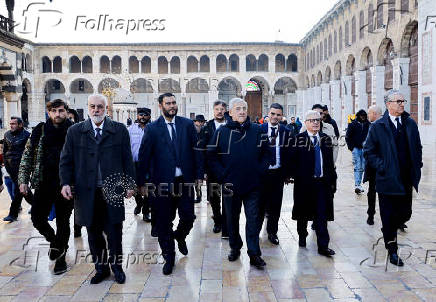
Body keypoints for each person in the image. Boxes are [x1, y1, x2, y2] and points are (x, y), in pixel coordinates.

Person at [60, 94, 135, 284]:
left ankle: (117, 268)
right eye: (92, 106)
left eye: (100, 107)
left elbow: (128, 160)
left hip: (112, 190)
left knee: (114, 232)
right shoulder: (75, 131)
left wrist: (130, 184)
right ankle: (101, 269)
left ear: (106, 109)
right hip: (86, 191)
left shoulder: (119, 130)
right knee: (93, 233)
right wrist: (65, 183)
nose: (96, 110)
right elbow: (66, 160)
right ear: (87, 108)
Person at [137, 93, 203, 275]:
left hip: (185, 181)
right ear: (160, 106)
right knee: (164, 221)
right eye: (168, 103)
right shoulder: (152, 128)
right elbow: (144, 156)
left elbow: (197, 151)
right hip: (162, 183)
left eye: (174, 103)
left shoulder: (187, 125)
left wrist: (199, 175)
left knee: (189, 217)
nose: (172, 106)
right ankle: (169, 256)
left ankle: (180, 235)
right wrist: (141, 182)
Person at [207, 98, 270, 269]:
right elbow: (211, 156)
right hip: (230, 185)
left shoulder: (257, 130)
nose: (242, 111)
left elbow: (267, 153)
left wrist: (260, 170)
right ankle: (235, 247)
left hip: (253, 185)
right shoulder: (221, 132)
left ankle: (254, 253)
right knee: (231, 219)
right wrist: (222, 175)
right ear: (231, 113)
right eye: (238, 109)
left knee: (253, 219)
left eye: (244, 108)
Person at [364, 89, 422, 266]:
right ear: (389, 104)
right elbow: (369, 151)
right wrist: (383, 167)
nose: (402, 104)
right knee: (388, 216)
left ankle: (390, 229)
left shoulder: (410, 124)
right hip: (387, 180)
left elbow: (417, 147)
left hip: (405, 179)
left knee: (405, 213)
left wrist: (417, 165)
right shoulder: (378, 126)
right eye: (398, 101)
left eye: (403, 101)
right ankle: (392, 249)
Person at [18, 99, 74, 275]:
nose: (58, 114)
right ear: (49, 112)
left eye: (61, 111)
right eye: (54, 111)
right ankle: (55, 243)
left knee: (63, 221)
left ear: (66, 111)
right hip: (44, 182)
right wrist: (23, 180)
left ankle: (60, 259)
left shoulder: (74, 131)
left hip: (66, 184)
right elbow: (27, 156)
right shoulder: (40, 131)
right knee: (37, 217)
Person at [289, 110, 337, 257]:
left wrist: (333, 181)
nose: (316, 122)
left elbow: (329, 163)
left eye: (317, 120)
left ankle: (323, 246)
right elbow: (293, 162)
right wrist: (294, 176)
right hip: (304, 185)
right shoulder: (298, 139)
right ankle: (302, 236)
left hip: (322, 184)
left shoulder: (325, 139)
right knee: (302, 213)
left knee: (322, 215)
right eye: (312, 120)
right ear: (306, 123)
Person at [259, 103, 291, 245]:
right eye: (273, 114)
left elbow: (290, 153)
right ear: (268, 114)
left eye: (278, 114)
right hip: (262, 174)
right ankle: (255, 231)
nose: (275, 117)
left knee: (275, 205)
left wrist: (287, 173)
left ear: (281, 116)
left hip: (278, 174)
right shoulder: (259, 130)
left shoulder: (286, 131)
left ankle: (272, 232)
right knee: (259, 204)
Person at [198, 101, 228, 236]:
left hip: (228, 167)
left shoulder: (231, 125)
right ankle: (217, 220)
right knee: (214, 196)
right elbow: (202, 149)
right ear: (213, 110)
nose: (219, 111)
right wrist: (203, 170)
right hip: (212, 169)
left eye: (222, 109)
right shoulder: (207, 127)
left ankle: (227, 222)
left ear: (225, 110)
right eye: (217, 109)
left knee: (229, 195)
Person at [3, 117, 33, 222]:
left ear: (20, 125)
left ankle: (12, 214)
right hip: (10, 167)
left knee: (18, 190)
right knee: (24, 190)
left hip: (22, 168)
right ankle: (37, 206)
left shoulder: (27, 135)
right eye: (10, 123)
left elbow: (30, 153)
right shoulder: (6, 135)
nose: (11, 125)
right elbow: (5, 151)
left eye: (14, 124)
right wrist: (6, 165)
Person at [128, 107, 152, 222]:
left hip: (148, 164)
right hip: (134, 164)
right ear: (137, 116)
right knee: (136, 187)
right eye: (140, 115)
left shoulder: (152, 129)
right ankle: (139, 204)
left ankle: (146, 211)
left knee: (148, 187)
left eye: (145, 115)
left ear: (149, 116)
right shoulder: (131, 129)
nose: (142, 117)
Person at [363, 105, 382, 225]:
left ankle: (371, 215)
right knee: (372, 191)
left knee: (374, 191)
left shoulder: (378, 126)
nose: (368, 116)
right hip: (374, 166)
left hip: (378, 165)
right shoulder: (371, 126)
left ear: (374, 113)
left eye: (369, 113)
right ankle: (370, 214)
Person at [67, 108, 83, 238]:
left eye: (71, 118)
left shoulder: (80, 133)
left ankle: (77, 228)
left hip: (79, 175)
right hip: (66, 177)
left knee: (79, 204)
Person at [346, 109, 370, 194]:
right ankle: (357, 185)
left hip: (365, 148)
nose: (363, 117)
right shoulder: (353, 124)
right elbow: (348, 136)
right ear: (358, 116)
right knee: (357, 166)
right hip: (355, 148)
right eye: (361, 116)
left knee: (363, 167)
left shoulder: (368, 125)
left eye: (364, 116)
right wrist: (351, 147)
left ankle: (359, 184)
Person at [193, 114, 206, 203]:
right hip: (193, 158)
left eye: (201, 122)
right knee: (193, 179)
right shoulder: (191, 131)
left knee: (199, 179)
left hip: (202, 158)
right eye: (198, 122)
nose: (200, 124)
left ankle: (199, 196)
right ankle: (195, 196)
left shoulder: (205, 132)